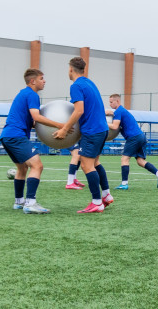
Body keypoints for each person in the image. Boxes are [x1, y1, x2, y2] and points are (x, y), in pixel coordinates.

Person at [0, 68, 64, 213]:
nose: (44, 81)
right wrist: (61, 125)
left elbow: (33, 122)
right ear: (32, 81)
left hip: (7, 136)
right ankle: (30, 203)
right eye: (41, 78)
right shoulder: (32, 94)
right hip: (16, 136)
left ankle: (19, 202)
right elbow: (37, 117)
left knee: (22, 168)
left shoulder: (23, 93)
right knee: (37, 166)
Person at [53, 57, 113, 213]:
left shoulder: (76, 86)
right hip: (101, 129)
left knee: (87, 165)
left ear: (71, 69)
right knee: (95, 163)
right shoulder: (89, 83)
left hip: (92, 131)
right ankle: (106, 195)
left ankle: (97, 202)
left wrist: (65, 129)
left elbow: (79, 110)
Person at [107, 94, 158, 190]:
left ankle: (124, 184)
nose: (110, 104)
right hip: (141, 136)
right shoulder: (122, 111)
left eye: (111, 102)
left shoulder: (119, 111)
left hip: (133, 137)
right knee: (140, 161)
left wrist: (104, 123)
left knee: (124, 159)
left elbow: (114, 126)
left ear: (117, 101)